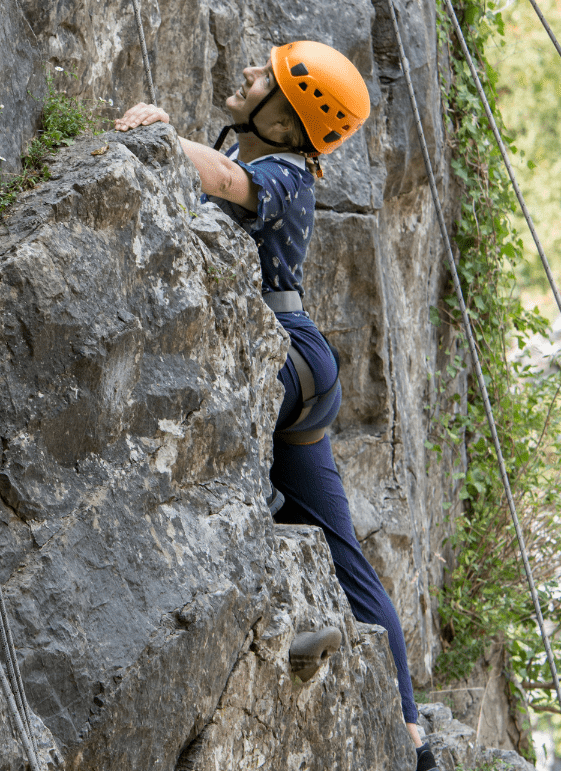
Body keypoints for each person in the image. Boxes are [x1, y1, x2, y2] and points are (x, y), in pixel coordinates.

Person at [116, 42, 437, 771]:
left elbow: (228, 177)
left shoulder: (284, 176)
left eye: (265, 76)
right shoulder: (284, 168)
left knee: (215, 472)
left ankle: (281, 626)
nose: (247, 75)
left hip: (279, 360)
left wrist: (163, 136)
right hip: (301, 365)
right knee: (335, 545)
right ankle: (415, 740)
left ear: (288, 124)